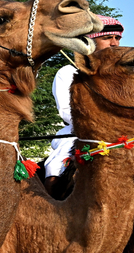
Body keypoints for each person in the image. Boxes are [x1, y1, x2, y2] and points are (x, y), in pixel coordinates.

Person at [44, 15, 124, 195]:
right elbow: (67, 112)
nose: (114, 43)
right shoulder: (69, 72)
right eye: (107, 38)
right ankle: (52, 202)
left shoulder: (122, 75)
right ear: (90, 41)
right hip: (77, 134)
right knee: (56, 167)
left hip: (123, 134)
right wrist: (103, 123)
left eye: (117, 38)